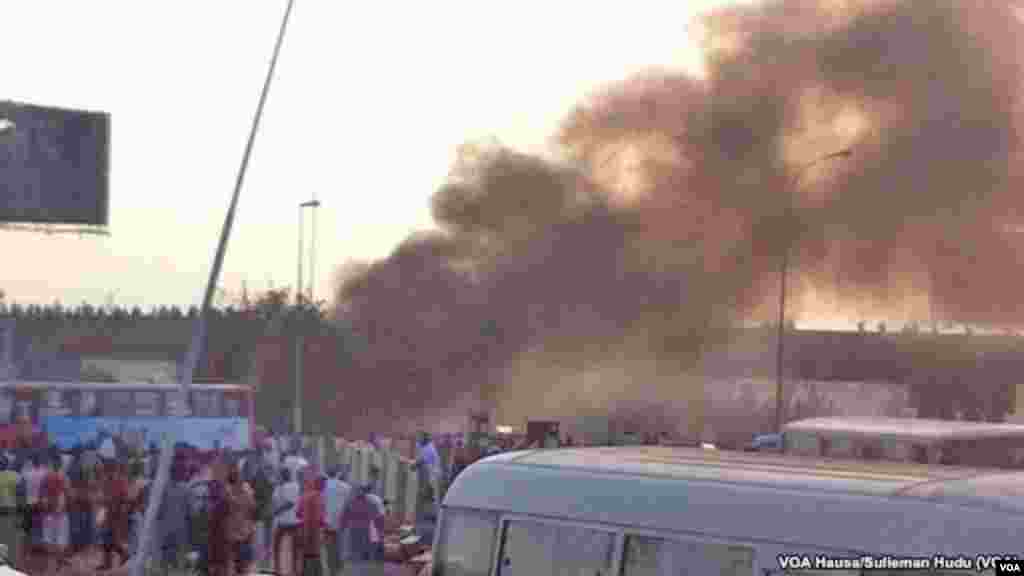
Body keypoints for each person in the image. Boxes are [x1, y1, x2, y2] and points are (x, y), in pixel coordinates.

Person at [338, 466, 385, 575]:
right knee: (364, 560)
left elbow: (343, 519)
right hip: (365, 534)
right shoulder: (371, 503)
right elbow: (379, 520)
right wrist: (380, 533)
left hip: (355, 534)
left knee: (356, 560)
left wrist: (341, 529)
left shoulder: (350, 502)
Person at [97, 461, 132, 571]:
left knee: (110, 539)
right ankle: (118, 557)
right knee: (108, 539)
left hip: (116, 514)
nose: (108, 472)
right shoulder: (106, 481)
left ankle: (119, 557)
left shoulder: (120, 481)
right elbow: (104, 496)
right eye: (107, 470)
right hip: (109, 513)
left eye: (109, 470)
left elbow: (125, 498)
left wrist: (122, 512)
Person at [40, 453, 70, 574]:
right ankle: (58, 562)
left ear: (52, 464)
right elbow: (66, 495)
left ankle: (51, 563)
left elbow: (42, 496)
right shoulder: (64, 478)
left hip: (49, 511)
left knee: (48, 539)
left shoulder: (47, 477)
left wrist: (45, 507)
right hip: (60, 512)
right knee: (60, 539)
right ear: (61, 464)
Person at [226, 464, 257, 575]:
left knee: (240, 562)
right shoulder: (233, 491)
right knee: (240, 562)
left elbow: (253, 508)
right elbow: (253, 508)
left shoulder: (229, 491)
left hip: (241, 532)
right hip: (239, 532)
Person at [271, 467, 301, 575]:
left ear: (287, 475)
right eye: (281, 474)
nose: (281, 476)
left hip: (292, 521)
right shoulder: (279, 487)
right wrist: (274, 509)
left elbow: (290, 503)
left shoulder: (294, 486)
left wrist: (276, 511)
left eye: (282, 474)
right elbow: (274, 501)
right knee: (276, 546)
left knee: (294, 548)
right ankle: (278, 568)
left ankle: (294, 570)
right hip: (284, 521)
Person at [322, 466, 351, 576]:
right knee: (340, 546)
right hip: (341, 521)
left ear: (327, 473)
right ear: (337, 473)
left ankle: (331, 568)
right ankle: (339, 567)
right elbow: (349, 505)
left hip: (327, 521)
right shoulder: (346, 487)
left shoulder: (323, 485)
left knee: (329, 546)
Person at [296, 472, 325, 576]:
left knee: (306, 555)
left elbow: (298, 513)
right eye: (323, 483)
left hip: (305, 529)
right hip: (313, 531)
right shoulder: (318, 497)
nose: (324, 486)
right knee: (314, 555)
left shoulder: (305, 495)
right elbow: (319, 517)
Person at [414, 433, 442, 513]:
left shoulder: (429, 448)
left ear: (425, 439)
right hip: (429, 472)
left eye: (420, 438)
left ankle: (434, 512)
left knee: (432, 494)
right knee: (427, 492)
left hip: (433, 473)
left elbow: (422, 461)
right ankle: (428, 510)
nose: (419, 440)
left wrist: (414, 465)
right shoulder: (422, 446)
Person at [0, 458, 20, 568]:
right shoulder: (15, 476)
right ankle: (11, 561)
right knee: (11, 537)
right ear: (8, 464)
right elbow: (20, 493)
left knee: (2, 537)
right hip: (12, 509)